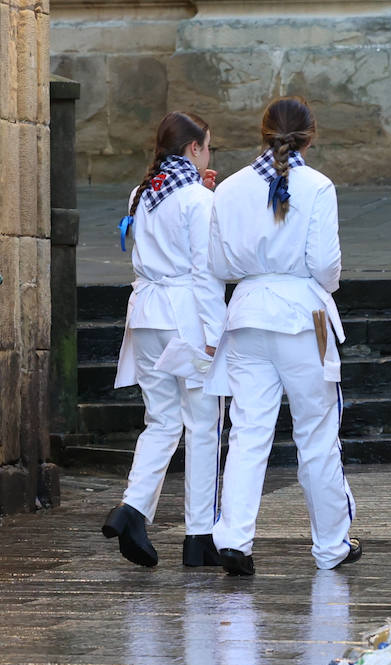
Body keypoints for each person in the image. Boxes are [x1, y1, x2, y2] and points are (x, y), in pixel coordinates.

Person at [203, 97, 360, 576]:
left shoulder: (229, 189)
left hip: (248, 313)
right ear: (310, 136)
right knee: (316, 433)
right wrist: (310, 284)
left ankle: (233, 538)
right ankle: (332, 545)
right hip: (300, 314)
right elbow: (326, 266)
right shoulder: (317, 186)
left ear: (263, 132)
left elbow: (219, 265)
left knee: (249, 431)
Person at [102, 112, 225, 568]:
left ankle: (132, 508)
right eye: (207, 146)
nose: (208, 153)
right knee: (203, 424)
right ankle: (200, 535)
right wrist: (213, 334)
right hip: (184, 318)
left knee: (161, 421)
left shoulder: (143, 193)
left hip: (146, 316)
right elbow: (205, 272)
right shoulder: (196, 198)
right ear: (194, 149)